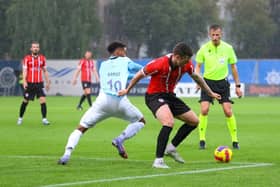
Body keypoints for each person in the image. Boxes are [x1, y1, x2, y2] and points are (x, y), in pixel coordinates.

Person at [118, 42, 221, 169]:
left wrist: (210, 92)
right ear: (177, 57)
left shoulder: (186, 64)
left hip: (170, 96)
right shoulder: (159, 64)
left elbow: (197, 78)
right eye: (185, 60)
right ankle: (158, 160)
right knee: (168, 122)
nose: (187, 63)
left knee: (194, 121)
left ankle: (171, 148)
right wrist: (127, 90)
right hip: (154, 97)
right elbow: (139, 75)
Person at [58, 42, 146, 165]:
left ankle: (66, 155)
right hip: (120, 101)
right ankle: (120, 139)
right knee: (141, 121)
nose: (125, 53)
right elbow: (142, 70)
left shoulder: (103, 65)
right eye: (123, 51)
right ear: (118, 51)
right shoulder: (125, 61)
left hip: (103, 102)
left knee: (81, 128)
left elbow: (121, 74)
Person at [195, 24, 243, 150]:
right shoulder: (204, 48)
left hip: (223, 83)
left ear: (221, 35)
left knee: (228, 111)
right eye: (213, 35)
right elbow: (198, 66)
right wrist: (198, 81)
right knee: (204, 110)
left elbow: (233, 67)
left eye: (217, 35)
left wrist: (238, 86)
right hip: (207, 83)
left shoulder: (228, 48)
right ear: (209, 35)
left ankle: (235, 140)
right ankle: (202, 140)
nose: (215, 37)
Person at [17, 41, 51, 125]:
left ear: (39, 49)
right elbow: (24, 70)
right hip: (30, 83)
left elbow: (45, 71)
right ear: (31, 49)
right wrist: (24, 81)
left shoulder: (42, 58)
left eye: (37, 47)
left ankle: (44, 119)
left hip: (39, 83)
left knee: (43, 100)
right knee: (25, 101)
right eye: (34, 47)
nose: (35, 48)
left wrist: (47, 82)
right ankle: (20, 118)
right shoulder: (27, 58)